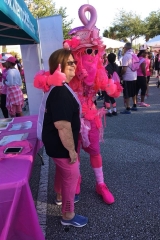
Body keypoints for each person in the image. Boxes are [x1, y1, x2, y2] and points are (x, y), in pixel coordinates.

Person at [34, 48, 88, 227]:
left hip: (57, 146)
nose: (74, 65)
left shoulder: (60, 87)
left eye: (74, 62)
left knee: (64, 174)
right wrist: (72, 151)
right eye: (70, 63)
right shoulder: (61, 92)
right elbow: (62, 126)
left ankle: (59, 197)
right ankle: (67, 215)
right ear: (59, 66)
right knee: (71, 177)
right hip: (61, 147)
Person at [121, 42, 137, 114]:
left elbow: (124, 69)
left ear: (126, 48)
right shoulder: (134, 54)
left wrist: (120, 75)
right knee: (134, 92)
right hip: (134, 76)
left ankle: (128, 108)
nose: (123, 49)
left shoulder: (126, 56)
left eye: (124, 48)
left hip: (127, 77)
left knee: (127, 93)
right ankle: (134, 105)